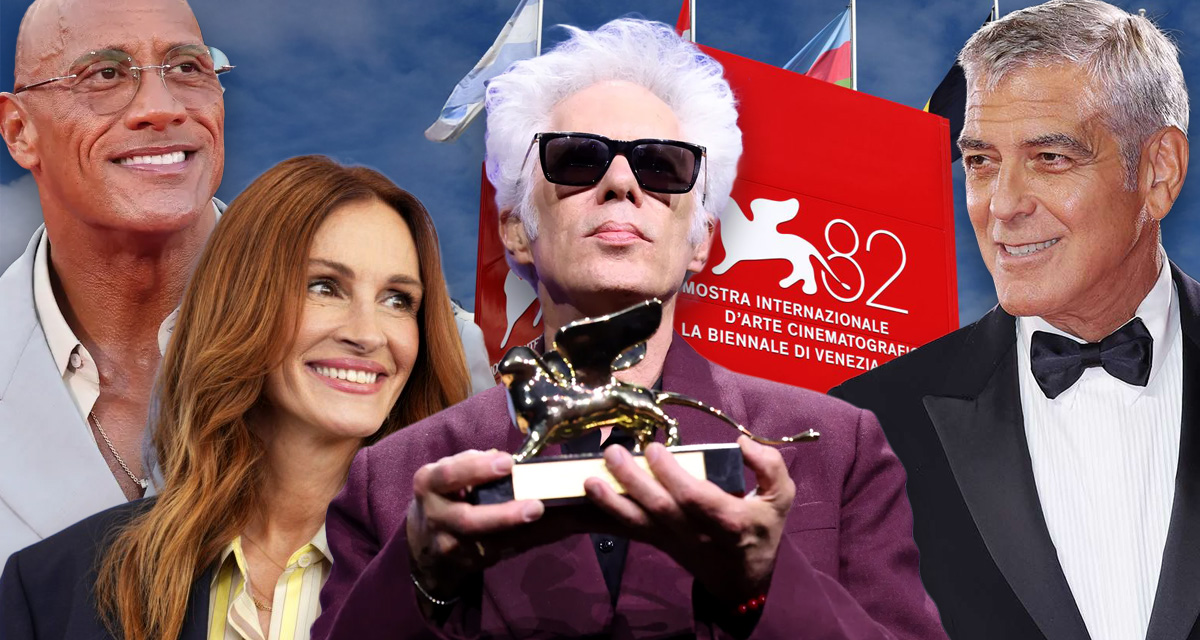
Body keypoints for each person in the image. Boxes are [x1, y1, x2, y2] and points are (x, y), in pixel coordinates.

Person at [313, 19, 945, 640]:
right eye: (577, 159)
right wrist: (419, 580)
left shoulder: (840, 449)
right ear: (514, 229)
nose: (620, 182)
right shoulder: (391, 479)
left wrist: (766, 584)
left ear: (700, 241)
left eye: (662, 167)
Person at [830, 2, 1196, 639]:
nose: (1001, 206)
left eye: (1051, 157)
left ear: (1160, 171)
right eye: (979, 161)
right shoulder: (869, 428)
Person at [0, 155, 471, 640]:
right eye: (324, 287)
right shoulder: (50, 592)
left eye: (398, 300)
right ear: (240, 303)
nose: (368, 334)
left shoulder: (486, 579)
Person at [0, 0, 230, 559]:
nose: (161, 108)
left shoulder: (411, 348)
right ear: (19, 130)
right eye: (104, 74)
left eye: (186, 68)